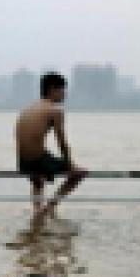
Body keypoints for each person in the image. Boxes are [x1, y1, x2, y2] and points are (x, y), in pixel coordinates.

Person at [16, 72, 88, 217]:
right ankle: (49, 207)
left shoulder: (29, 108)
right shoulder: (54, 111)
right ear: (52, 89)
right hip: (38, 160)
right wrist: (71, 165)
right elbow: (61, 141)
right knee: (79, 174)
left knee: (38, 178)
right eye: (62, 90)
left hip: (23, 162)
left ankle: (37, 210)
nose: (64, 94)